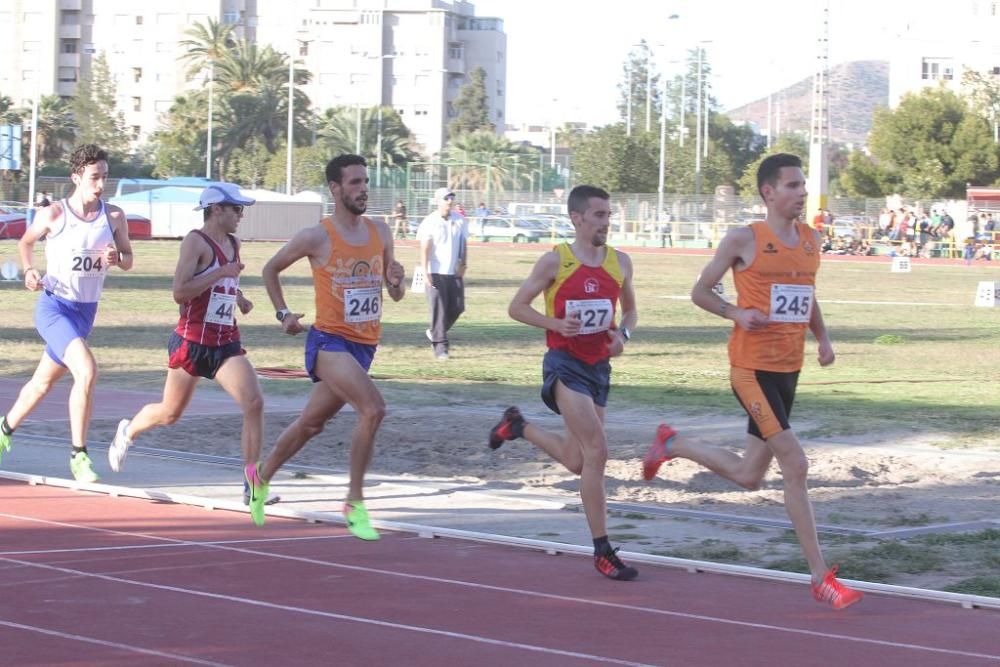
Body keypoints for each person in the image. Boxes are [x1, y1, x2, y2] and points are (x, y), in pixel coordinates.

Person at [642, 153, 862, 609]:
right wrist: (735, 312)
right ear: (768, 192)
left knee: (749, 475)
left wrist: (823, 337)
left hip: (789, 370)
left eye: (803, 185)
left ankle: (672, 443)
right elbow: (700, 291)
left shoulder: (811, 240)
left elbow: (807, 294)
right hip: (751, 369)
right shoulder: (744, 239)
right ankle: (820, 577)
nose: (802, 192)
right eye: (793, 185)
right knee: (795, 465)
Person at [248, 154, 406, 536]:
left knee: (311, 424)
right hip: (328, 343)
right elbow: (270, 269)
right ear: (335, 189)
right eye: (354, 182)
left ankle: (260, 477)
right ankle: (355, 502)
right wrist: (283, 313)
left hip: (365, 346)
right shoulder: (316, 236)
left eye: (365, 181)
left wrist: (397, 280)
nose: (363, 189)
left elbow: (395, 293)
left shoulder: (380, 231)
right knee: (373, 409)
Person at [488, 185, 639, 581]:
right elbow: (516, 307)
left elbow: (632, 312)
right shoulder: (556, 261)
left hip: (599, 367)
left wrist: (623, 336)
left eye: (609, 215)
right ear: (577, 218)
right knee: (598, 450)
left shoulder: (620, 262)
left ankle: (517, 426)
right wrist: (555, 323)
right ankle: (603, 550)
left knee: (577, 461)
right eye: (600, 215)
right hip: (564, 364)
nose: (607, 222)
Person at [108, 183, 274, 506]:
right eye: (236, 209)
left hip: (226, 341)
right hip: (193, 342)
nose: (241, 215)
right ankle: (128, 432)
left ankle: (252, 487)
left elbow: (224, 281)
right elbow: (180, 292)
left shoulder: (234, 243)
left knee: (254, 404)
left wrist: (239, 297)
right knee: (170, 413)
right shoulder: (195, 242)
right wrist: (221, 273)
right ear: (216, 210)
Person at [0, 144, 133, 481]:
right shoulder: (55, 214)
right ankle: (79, 455)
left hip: (84, 313)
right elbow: (25, 242)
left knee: (41, 383)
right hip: (54, 307)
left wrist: (119, 259)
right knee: (86, 371)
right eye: (94, 177)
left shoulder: (114, 215)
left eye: (104, 177)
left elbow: (129, 259)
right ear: (76, 177)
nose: (100, 184)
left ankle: (4, 430)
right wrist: (30, 271)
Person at [417, 187, 468, 360]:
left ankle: (435, 331)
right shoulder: (429, 222)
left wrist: (464, 263)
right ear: (437, 201)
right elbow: (425, 248)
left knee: (458, 307)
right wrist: (425, 271)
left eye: (451, 197)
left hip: (453, 272)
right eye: (446, 198)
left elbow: (464, 243)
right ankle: (440, 347)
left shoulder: (460, 220)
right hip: (435, 271)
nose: (450, 201)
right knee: (438, 310)